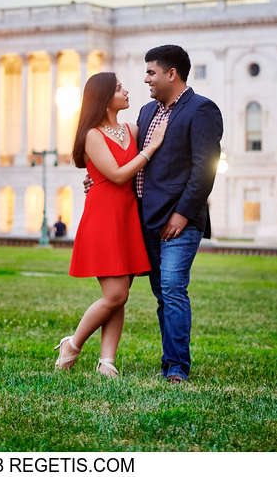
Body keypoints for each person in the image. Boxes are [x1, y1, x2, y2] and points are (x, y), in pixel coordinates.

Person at [85, 44, 223, 384]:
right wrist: (97, 178)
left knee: (174, 289)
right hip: (144, 220)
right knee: (162, 294)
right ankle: (166, 361)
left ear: (171, 74)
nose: (145, 79)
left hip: (179, 222)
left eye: (151, 72)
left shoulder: (201, 110)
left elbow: (204, 169)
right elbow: (128, 158)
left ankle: (177, 368)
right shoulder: (146, 113)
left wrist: (182, 214)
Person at [54, 72, 168, 377]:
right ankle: (73, 343)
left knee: (121, 294)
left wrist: (149, 145)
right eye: (119, 88)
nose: (127, 90)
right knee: (115, 295)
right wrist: (151, 147)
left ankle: (107, 362)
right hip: (103, 217)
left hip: (128, 216)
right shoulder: (92, 134)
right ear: (105, 98)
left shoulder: (131, 129)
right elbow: (117, 175)